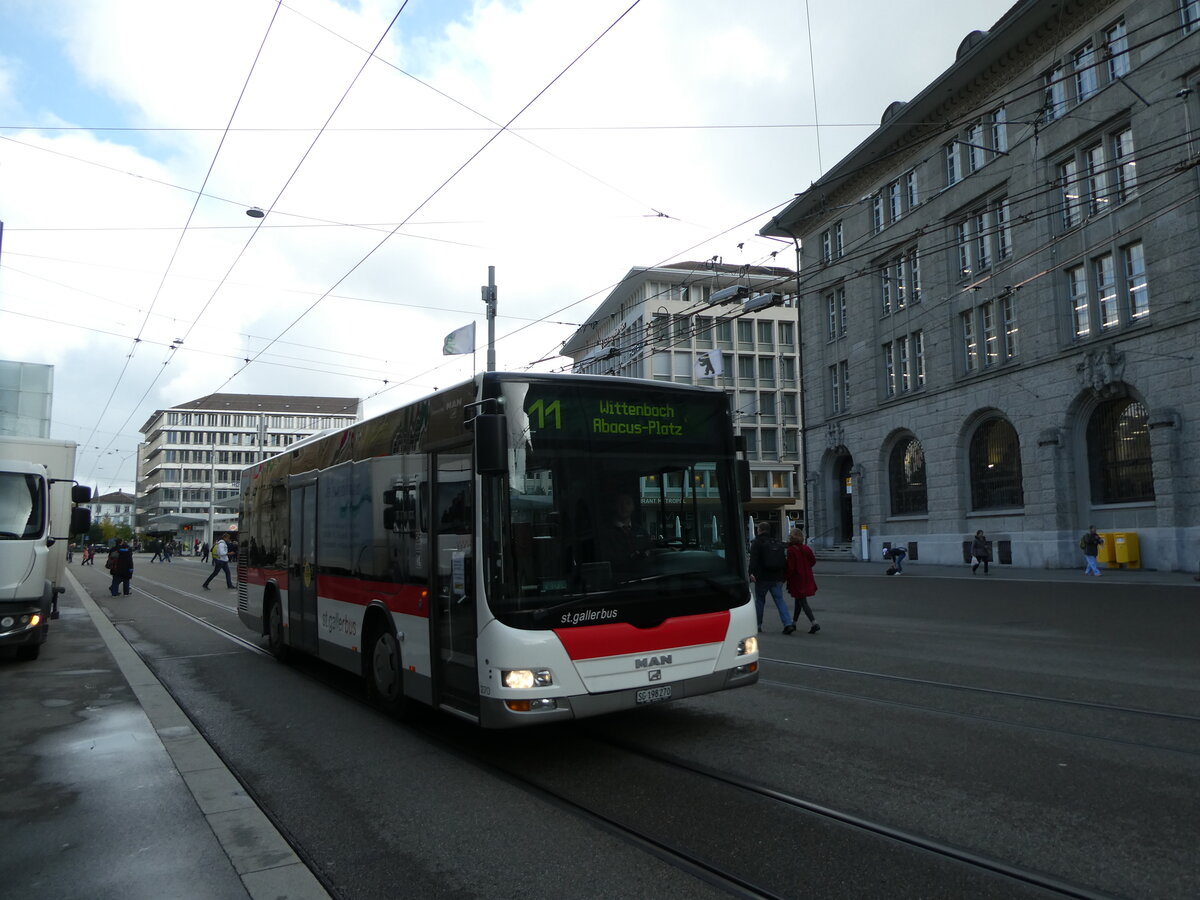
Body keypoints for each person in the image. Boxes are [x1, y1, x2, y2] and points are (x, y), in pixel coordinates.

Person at [749, 522, 795, 634]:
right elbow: (783, 560)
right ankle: (787, 623)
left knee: (760, 601)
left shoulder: (757, 542)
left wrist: (751, 573)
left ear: (759, 530)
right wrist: (783, 575)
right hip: (777, 576)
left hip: (762, 576)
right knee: (780, 600)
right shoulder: (775, 541)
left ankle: (758, 625)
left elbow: (753, 560)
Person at [600, 493, 650, 571]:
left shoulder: (642, 531)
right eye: (620, 503)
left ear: (633, 506)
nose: (624, 507)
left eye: (628, 503)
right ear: (614, 506)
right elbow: (607, 560)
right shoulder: (605, 533)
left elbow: (650, 550)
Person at [785, 527, 819, 634]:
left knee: (802, 601)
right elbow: (813, 561)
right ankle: (794, 623)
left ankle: (814, 623)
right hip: (806, 577)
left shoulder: (791, 550)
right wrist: (806, 567)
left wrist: (784, 577)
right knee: (799, 601)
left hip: (797, 579)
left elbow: (790, 567)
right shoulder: (806, 548)